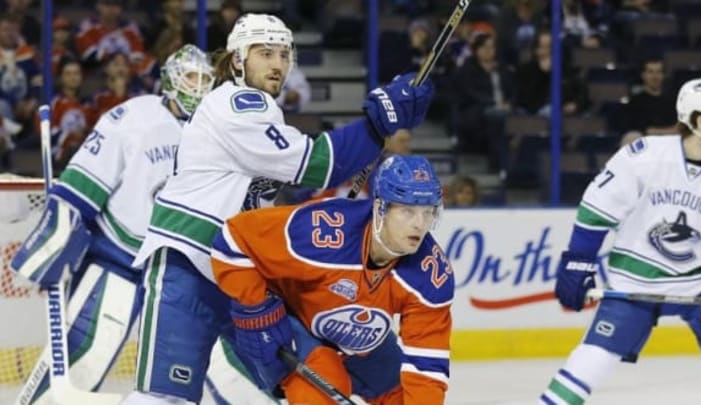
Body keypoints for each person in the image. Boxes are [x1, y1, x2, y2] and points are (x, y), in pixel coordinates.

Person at [123, 13, 434, 405]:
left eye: (284, 55)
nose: (277, 64)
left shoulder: (263, 110)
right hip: (189, 266)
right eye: (265, 53)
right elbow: (317, 165)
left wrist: (380, 125)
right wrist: (379, 123)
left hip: (240, 274)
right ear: (238, 60)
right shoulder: (236, 104)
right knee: (163, 398)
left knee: (306, 373)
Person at [9, 44, 218, 404]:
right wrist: (55, 239)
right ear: (170, 80)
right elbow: (82, 184)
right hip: (120, 259)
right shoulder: (134, 117)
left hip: (179, 274)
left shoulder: (218, 132)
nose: (199, 88)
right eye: (191, 78)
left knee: (179, 380)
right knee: (83, 359)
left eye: (205, 80)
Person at [211, 154, 453, 404]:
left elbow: (427, 366)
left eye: (427, 212)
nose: (420, 225)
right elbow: (233, 238)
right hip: (295, 319)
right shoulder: (323, 231)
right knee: (320, 395)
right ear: (380, 208)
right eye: (407, 211)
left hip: (359, 335)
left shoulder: (431, 275)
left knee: (403, 395)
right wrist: (257, 307)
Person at [539, 77, 701, 405]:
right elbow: (598, 209)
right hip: (638, 279)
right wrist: (578, 262)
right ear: (699, 121)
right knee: (594, 358)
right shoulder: (646, 156)